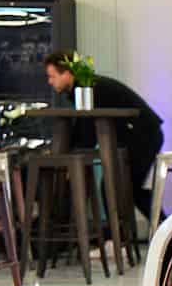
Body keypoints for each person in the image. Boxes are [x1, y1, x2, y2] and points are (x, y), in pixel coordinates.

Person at [44, 52, 165, 219]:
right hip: (142, 134)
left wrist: (70, 160)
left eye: (52, 76)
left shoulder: (88, 89)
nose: (49, 82)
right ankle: (159, 227)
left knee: (116, 186)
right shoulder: (85, 88)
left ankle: (148, 229)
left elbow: (87, 133)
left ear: (67, 73)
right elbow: (85, 129)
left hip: (144, 136)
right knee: (123, 187)